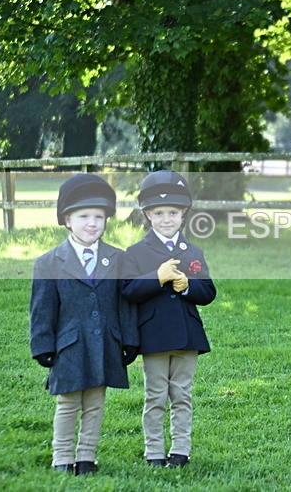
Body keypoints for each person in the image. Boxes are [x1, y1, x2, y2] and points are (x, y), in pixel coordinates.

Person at [29, 173, 138, 475]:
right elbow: (42, 309)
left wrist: (129, 340)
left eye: (99, 217)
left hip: (105, 342)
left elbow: (125, 302)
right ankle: (62, 458)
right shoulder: (49, 263)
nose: (92, 223)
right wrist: (42, 343)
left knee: (95, 403)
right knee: (68, 403)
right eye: (84, 216)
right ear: (67, 220)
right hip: (69, 345)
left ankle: (87, 457)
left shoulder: (117, 258)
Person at [121, 170, 216, 468]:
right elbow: (127, 290)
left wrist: (187, 285)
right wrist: (156, 277)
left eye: (172, 212)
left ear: (184, 214)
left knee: (182, 395)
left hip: (187, 337)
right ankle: (154, 452)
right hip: (154, 337)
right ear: (148, 215)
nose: (166, 219)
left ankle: (181, 450)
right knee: (155, 396)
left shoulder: (193, 251)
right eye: (159, 213)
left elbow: (208, 291)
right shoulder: (135, 252)